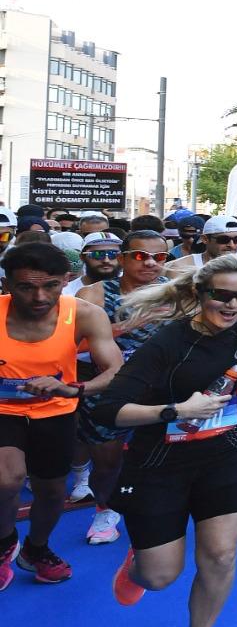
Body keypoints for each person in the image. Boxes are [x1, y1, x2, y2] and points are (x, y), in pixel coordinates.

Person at [87, 255, 237, 627]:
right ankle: (138, 564)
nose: (232, 304)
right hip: (159, 464)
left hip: (223, 457)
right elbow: (108, 410)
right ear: (200, 294)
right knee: (160, 575)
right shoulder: (167, 342)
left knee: (221, 555)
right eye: (222, 295)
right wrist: (177, 410)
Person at [0, 242, 122, 590]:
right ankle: (5, 542)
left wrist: (76, 390)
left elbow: (114, 368)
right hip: (3, 411)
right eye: (26, 286)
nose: (39, 296)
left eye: (50, 285)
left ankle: (36, 549)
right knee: (6, 480)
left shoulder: (83, 313)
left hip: (56, 410)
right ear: (7, 284)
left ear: (65, 280)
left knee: (52, 492)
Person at [72, 229, 173, 543]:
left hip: (161, 389)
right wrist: (129, 324)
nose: (151, 264)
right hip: (107, 389)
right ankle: (105, 508)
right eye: (142, 256)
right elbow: (69, 347)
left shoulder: (176, 293)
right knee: (107, 462)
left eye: (160, 257)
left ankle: (157, 508)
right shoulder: (94, 296)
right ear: (123, 257)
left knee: (165, 456)